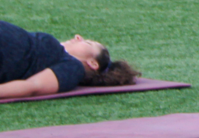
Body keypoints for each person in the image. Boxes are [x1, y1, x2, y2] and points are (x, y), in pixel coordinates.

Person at [0, 20, 136, 98]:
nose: (78, 37)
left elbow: (33, 86)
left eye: (88, 43)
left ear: (92, 63)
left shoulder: (73, 68)